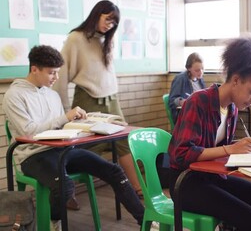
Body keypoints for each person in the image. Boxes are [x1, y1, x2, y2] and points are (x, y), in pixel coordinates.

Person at [2, 45, 144, 230]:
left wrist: (86, 124)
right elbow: (28, 132)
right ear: (34, 69)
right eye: (52, 73)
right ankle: (54, 222)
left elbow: (60, 127)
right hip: (33, 155)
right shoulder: (14, 95)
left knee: (114, 171)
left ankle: (145, 221)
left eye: (57, 72)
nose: (56, 78)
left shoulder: (52, 95)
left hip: (62, 149)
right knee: (65, 186)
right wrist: (65, 117)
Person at [168, 35, 251, 231]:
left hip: (213, 177)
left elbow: (214, 146)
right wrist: (231, 148)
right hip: (187, 183)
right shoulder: (198, 102)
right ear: (236, 80)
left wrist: (245, 145)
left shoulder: (231, 108)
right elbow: (181, 154)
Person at [52, 0, 142, 198]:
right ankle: (67, 193)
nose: (109, 25)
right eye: (107, 19)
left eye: (113, 23)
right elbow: (62, 75)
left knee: (124, 141)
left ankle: (138, 190)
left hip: (112, 99)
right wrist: (63, 111)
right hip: (87, 98)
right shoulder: (76, 38)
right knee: (83, 145)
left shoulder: (107, 40)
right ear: (97, 14)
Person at [168, 52, 206, 122]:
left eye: (202, 69)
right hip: (184, 116)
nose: (201, 72)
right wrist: (183, 102)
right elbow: (172, 101)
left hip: (198, 113)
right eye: (197, 70)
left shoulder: (200, 80)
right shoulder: (180, 79)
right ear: (189, 68)